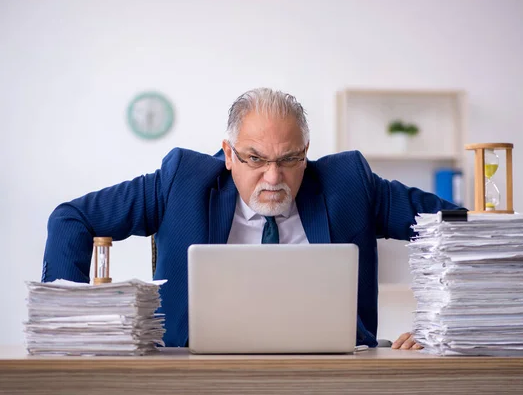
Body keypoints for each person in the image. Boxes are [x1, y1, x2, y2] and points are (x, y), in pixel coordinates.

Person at [42, 88, 462, 350]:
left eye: (289, 160)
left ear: (306, 152)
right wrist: (77, 332)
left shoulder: (348, 183)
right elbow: (72, 218)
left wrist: (443, 328)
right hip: (192, 378)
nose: (273, 177)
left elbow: (459, 228)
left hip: (332, 378)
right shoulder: (182, 182)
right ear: (228, 154)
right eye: (255, 159)